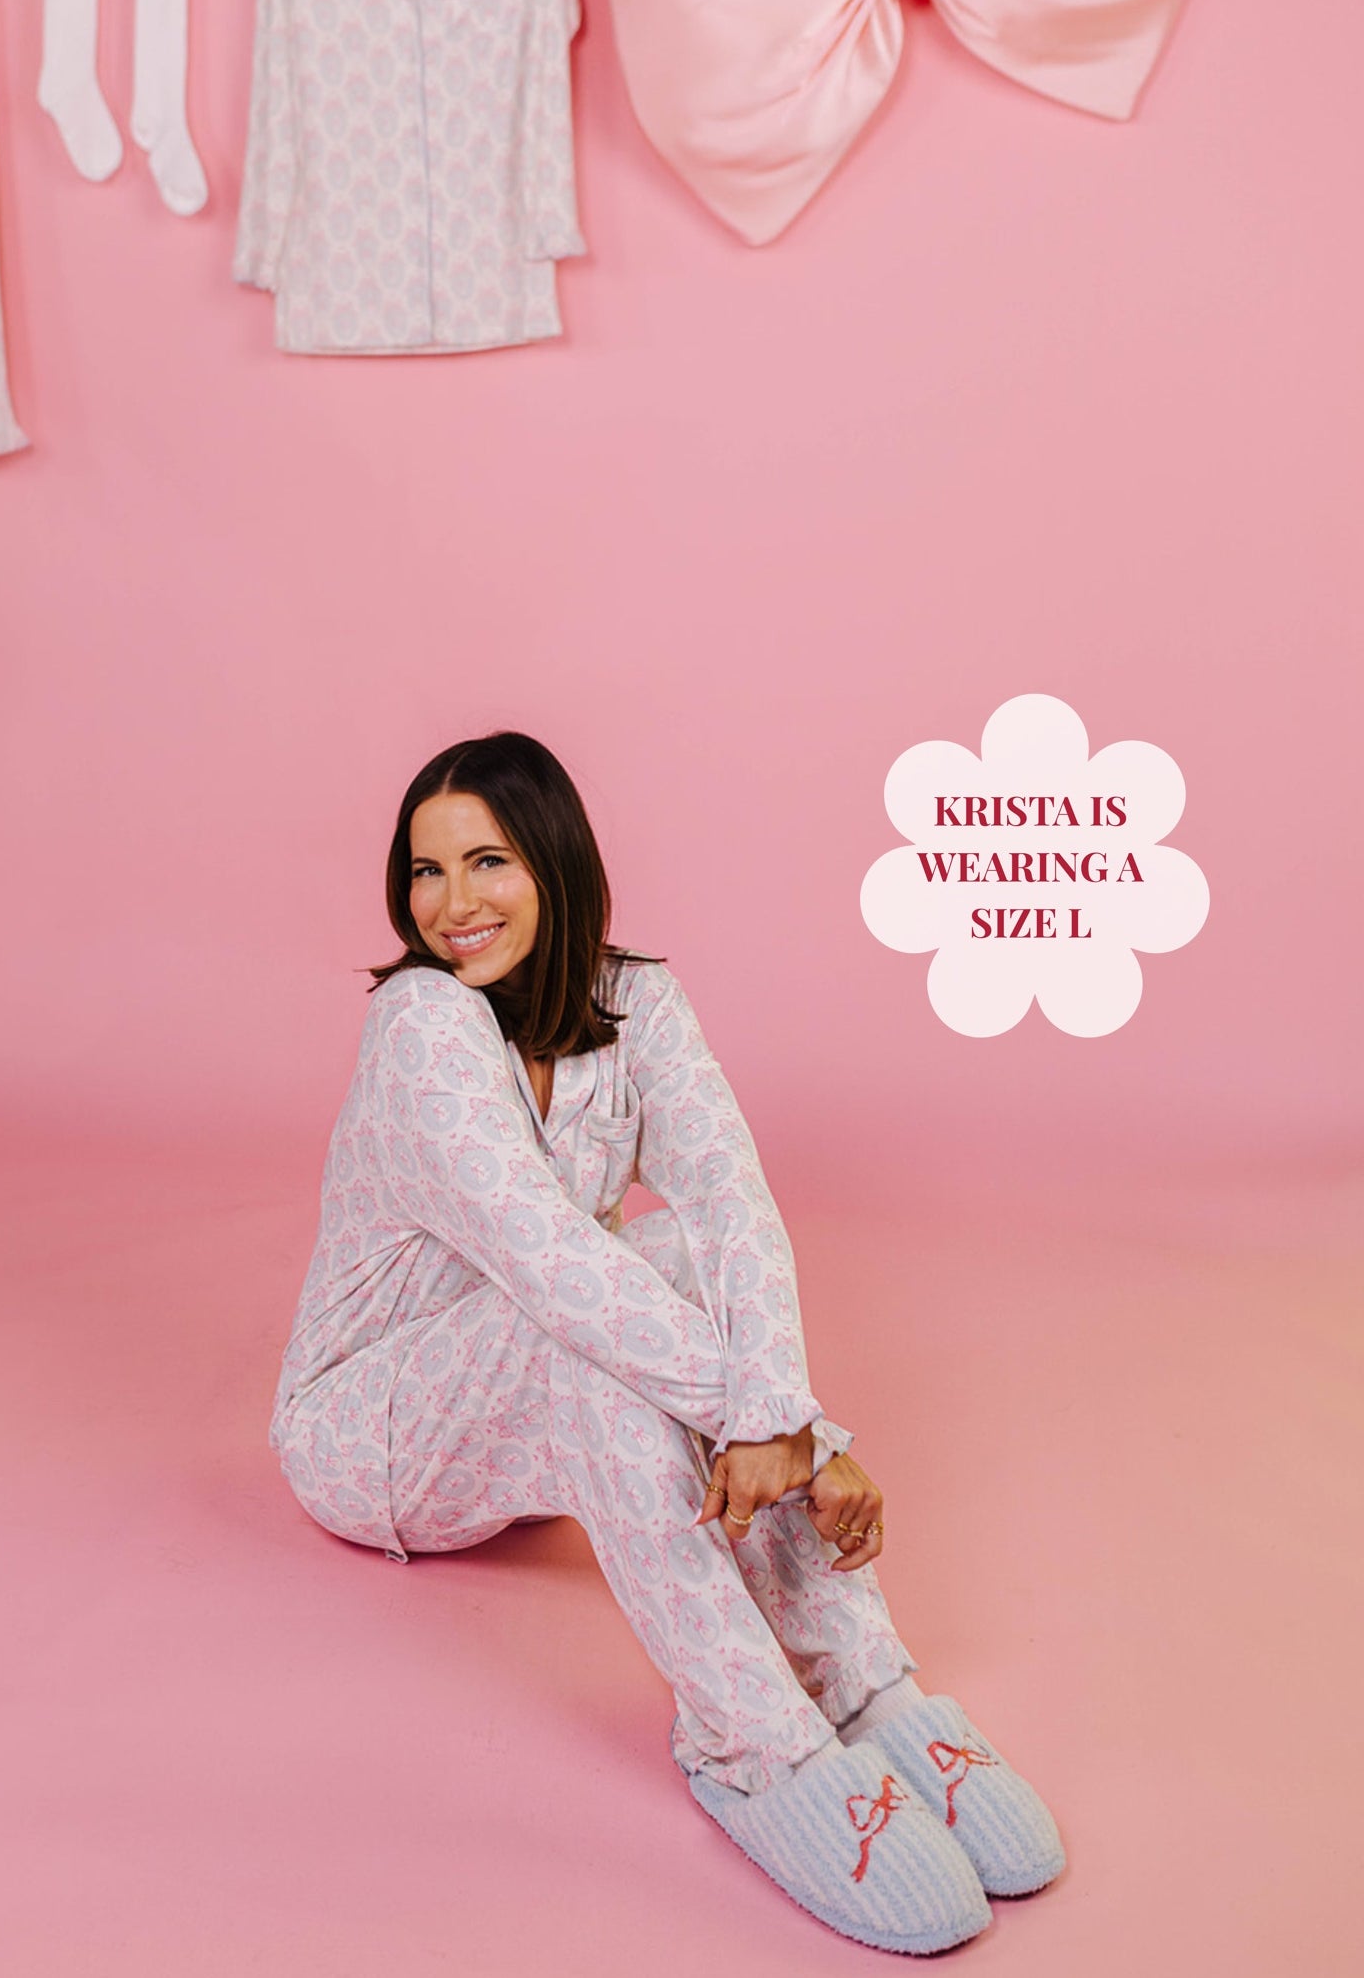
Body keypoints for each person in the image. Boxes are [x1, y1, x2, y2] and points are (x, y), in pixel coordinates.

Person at [270, 731, 1063, 1950]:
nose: (451, 905)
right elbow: (548, 1261)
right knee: (574, 1320)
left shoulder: (638, 1001)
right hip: (370, 1425)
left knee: (689, 1254)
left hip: (540, 1392)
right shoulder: (420, 1027)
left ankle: (866, 1687)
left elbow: (732, 1205)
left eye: (487, 862)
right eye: (425, 872)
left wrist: (782, 1420)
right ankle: (756, 1744)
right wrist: (803, 1439)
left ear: (556, 860)